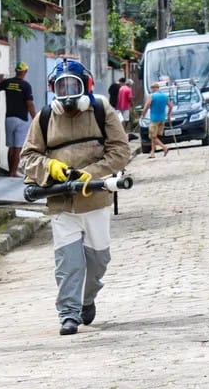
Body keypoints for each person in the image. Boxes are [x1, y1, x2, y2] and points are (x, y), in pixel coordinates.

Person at [20, 59, 130, 336]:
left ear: (87, 86)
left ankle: (86, 300)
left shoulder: (101, 110)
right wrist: (49, 167)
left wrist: (89, 175)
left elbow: (120, 151)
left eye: (73, 86)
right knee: (68, 262)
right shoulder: (45, 117)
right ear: (53, 90)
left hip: (95, 199)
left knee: (98, 261)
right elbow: (28, 156)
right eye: (62, 87)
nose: (67, 93)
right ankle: (68, 313)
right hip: (61, 202)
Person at [0, 62, 38, 177]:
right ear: (25, 72)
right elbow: (30, 104)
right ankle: (13, 172)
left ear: (16, 71)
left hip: (9, 118)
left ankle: (10, 171)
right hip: (21, 119)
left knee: (11, 147)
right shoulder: (26, 85)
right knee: (18, 147)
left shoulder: (7, 82)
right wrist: (35, 118)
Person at [141, 81, 174, 158]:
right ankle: (152, 153)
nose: (151, 90)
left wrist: (143, 115)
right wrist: (169, 115)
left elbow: (146, 106)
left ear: (153, 88)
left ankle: (164, 147)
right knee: (155, 136)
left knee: (152, 136)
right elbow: (171, 106)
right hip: (162, 118)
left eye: (151, 88)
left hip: (154, 119)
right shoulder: (164, 96)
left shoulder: (151, 96)